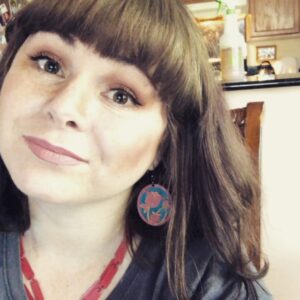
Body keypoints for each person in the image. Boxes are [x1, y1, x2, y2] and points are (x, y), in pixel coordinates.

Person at [0, 0, 272, 299]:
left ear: (164, 144)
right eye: (49, 65)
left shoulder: (209, 281)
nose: (64, 107)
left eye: (121, 96)